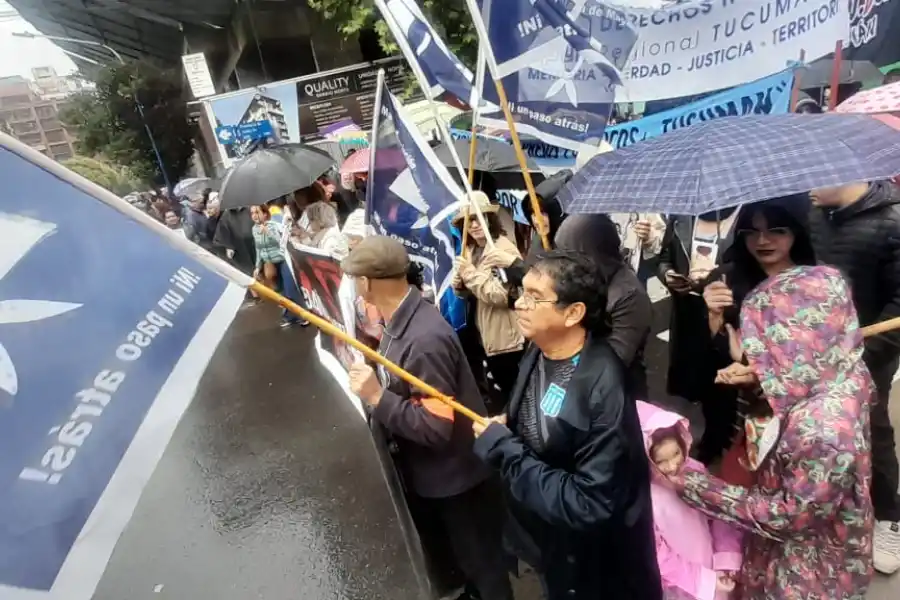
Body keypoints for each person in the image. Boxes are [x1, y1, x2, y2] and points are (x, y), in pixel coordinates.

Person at [668, 265, 874, 599]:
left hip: (803, 576)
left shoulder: (822, 430)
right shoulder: (843, 368)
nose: (758, 350)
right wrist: (763, 382)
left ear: (794, 337)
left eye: (765, 338)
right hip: (832, 549)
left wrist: (694, 485)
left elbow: (787, 516)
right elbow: (801, 390)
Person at [472, 250, 662, 600]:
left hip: (592, 569)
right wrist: (510, 425)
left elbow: (589, 503)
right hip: (547, 543)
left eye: (535, 297)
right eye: (521, 292)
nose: (519, 305)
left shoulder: (602, 388)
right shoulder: (540, 349)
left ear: (574, 313)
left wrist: (505, 449)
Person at [343, 236, 514, 600]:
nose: (354, 285)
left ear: (369, 282)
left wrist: (377, 396)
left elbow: (436, 427)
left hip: (458, 481)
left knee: (484, 570)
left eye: (356, 277)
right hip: (440, 478)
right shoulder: (401, 322)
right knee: (467, 569)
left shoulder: (423, 339)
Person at [807, 179, 900, 574]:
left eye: (815, 175)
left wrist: (860, 352)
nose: (807, 185)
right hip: (814, 349)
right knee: (820, 431)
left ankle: (889, 517)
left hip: (870, 351)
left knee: (871, 429)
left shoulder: (892, 222)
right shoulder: (815, 216)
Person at [701, 198, 815, 468]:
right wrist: (714, 315)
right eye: (751, 232)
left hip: (800, 410)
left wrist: (758, 369)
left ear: (796, 232)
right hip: (745, 410)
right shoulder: (728, 279)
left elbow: (819, 360)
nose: (762, 241)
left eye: (777, 231)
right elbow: (720, 347)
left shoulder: (813, 285)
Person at [657, 208, 740, 464]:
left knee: (722, 384)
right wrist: (668, 275)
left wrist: (719, 277)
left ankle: (716, 445)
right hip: (687, 313)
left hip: (726, 316)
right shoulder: (682, 216)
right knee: (691, 378)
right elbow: (665, 258)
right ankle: (692, 437)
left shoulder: (745, 218)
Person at [636, 401, 742, 600]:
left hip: (713, 568)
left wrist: (726, 559)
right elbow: (657, 553)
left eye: (676, 453)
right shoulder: (643, 496)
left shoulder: (695, 471)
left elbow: (719, 514)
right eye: (661, 461)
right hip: (677, 582)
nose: (673, 465)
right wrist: (702, 581)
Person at [554, 214, 653, 398]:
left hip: (617, 398)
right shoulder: (583, 280)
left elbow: (614, 362)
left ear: (592, 254)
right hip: (576, 388)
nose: (564, 263)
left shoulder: (629, 296)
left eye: (570, 254)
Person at [452, 193, 525, 414]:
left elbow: (500, 296)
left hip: (506, 340)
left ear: (489, 219)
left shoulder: (502, 250)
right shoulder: (473, 251)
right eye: (468, 221)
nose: (473, 225)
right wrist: (460, 284)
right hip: (484, 336)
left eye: (478, 218)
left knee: (515, 397)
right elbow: (467, 295)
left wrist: (470, 275)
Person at [250, 204, 284, 292]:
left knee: (287, 287)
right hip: (269, 262)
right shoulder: (254, 229)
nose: (254, 215)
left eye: (257, 212)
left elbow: (279, 241)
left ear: (265, 214)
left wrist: (268, 232)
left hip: (281, 259)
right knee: (272, 282)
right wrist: (257, 267)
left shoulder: (273, 225)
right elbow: (259, 249)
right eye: (252, 213)